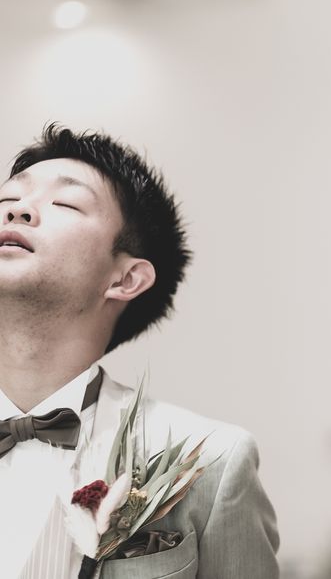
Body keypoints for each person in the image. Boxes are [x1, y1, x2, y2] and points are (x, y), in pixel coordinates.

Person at [0, 124, 280, 579]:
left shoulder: (210, 460)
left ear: (126, 279)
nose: (17, 212)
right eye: (6, 200)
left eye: (65, 203)